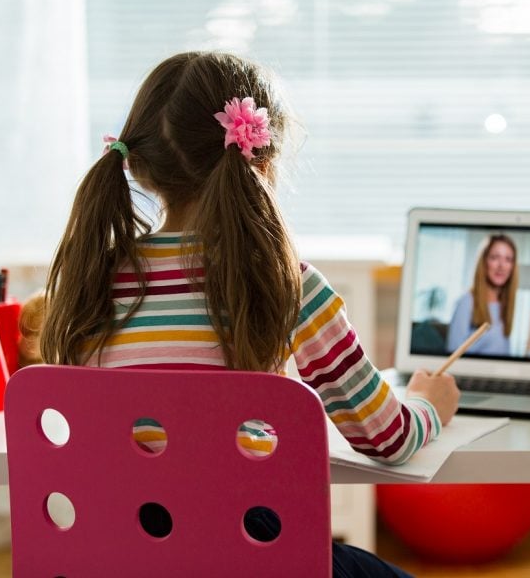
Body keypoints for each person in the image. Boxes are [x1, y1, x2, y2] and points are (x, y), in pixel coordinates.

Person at [40, 51, 460, 578]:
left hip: (115, 555)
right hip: (251, 555)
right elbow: (386, 438)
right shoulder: (288, 283)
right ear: (262, 158)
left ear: (138, 165)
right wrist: (426, 404)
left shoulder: (89, 280)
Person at [447, 234, 519, 356]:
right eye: (495, 257)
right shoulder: (466, 302)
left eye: (508, 259)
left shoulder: (505, 305)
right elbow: (452, 353)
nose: (501, 265)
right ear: (484, 261)